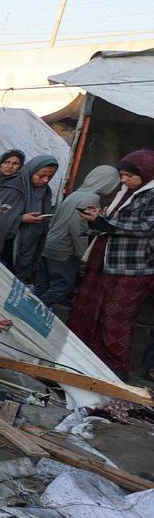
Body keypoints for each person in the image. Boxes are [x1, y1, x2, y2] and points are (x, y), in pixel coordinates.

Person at [68, 151, 154, 380]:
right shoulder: (128, 191)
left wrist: (106, 222)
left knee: (117, 318)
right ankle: (88, 359)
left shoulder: (151, 193)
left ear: (145, 174)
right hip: (109, 261)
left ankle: (116, 369)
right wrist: (101, 215)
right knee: (95, 310)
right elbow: (117, 218)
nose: (124, 180)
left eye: (129, 176)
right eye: (122, 175)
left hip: (133, 268)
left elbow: (147, 226)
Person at [34, 165, 120, 307]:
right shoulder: (91, 198)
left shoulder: (77, 193)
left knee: (42, 285)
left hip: (50, 245)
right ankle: (32, 310)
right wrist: (83, 254)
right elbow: (77, 229)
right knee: (62, 287)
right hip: (64, 250)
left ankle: (25, 312)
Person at [0, 154, 59, 281]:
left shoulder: (44, 191)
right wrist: (21, 219)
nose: (45, 180)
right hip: (4, 250)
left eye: (49, 177)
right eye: (41, 176)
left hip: (26, 249)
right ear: (31, 171)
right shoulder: (12, 188)